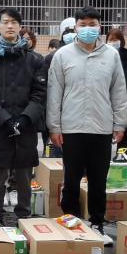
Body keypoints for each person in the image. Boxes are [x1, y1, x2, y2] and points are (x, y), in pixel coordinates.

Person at [46, 6, 127, 244]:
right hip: (71, 128)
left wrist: (120, 123)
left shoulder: (111, 55)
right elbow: (54, 93)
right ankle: (71, 221)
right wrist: (54, 126)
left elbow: (119, 91)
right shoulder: (63, 55)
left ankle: (97, 223)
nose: (88, 29)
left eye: (93, 24)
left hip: (101, 127)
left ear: (100, 27)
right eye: (83, 25)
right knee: (71, 179)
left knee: (98, 180)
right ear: (76, 27)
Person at [0, 9, 46, 226]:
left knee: (24, 177)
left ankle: (24, 217)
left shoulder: (35, 60)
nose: (10, 26)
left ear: (20, 27)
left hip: (25, 127)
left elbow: (40, 94)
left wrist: (25, 118)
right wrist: (4, 120)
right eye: (5, 22)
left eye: (14, 22)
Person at [40, 18, 75, 158]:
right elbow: (45, 88)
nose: (70, 34)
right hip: (56, 113)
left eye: (73, 30)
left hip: (77, 115)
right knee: (55, 156)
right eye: (67, 31)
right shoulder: (52, 57)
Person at [107, 27, 127, 159]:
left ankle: (122, 159)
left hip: (123, 99)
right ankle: (102, 162)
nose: (113, 42)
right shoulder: (103, 55)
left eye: (116, 39)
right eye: (110, 39)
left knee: (122, 133)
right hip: (106, 99)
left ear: (122, 41)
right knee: (104, 134)